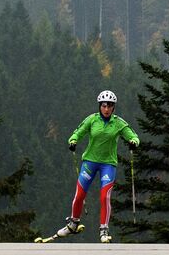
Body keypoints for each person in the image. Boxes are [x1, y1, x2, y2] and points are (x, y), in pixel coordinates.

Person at [56, 90, 140, 243]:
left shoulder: (119, 123)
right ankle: (73, 223)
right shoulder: (92, 120)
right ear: (99, 106)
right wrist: (73, 141)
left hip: (108, 164)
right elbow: (78, 132)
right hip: (90, 162)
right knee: (80, 194)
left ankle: (104, 229)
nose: (106, 109)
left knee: (105, 197)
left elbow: (133, 135)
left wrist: (134, 142)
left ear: (113, 108)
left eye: (109, 106)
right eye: (104, 105)